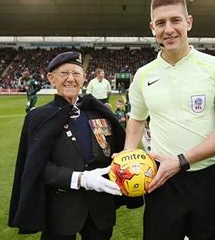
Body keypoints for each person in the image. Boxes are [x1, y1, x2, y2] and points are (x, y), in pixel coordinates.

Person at [124, 0, 215, 239]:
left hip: (207, 180)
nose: (168, 29)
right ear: (152, 28)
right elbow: (136, 119)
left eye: (175, 20)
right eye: (160, 23)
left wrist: (180, 161)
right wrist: (127, 155)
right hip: (161, 183)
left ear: (188, 22)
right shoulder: (143, 75)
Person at [8, 51, 143, 239]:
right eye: (64, 73)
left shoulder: (99, 111)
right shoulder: (38, 118)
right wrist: (80, 179)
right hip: (60, 211)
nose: (70, 79)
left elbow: (118, 148)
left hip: (100, 209)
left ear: (84, 78)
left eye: (76, 73)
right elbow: (36, 167)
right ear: (51, 78)